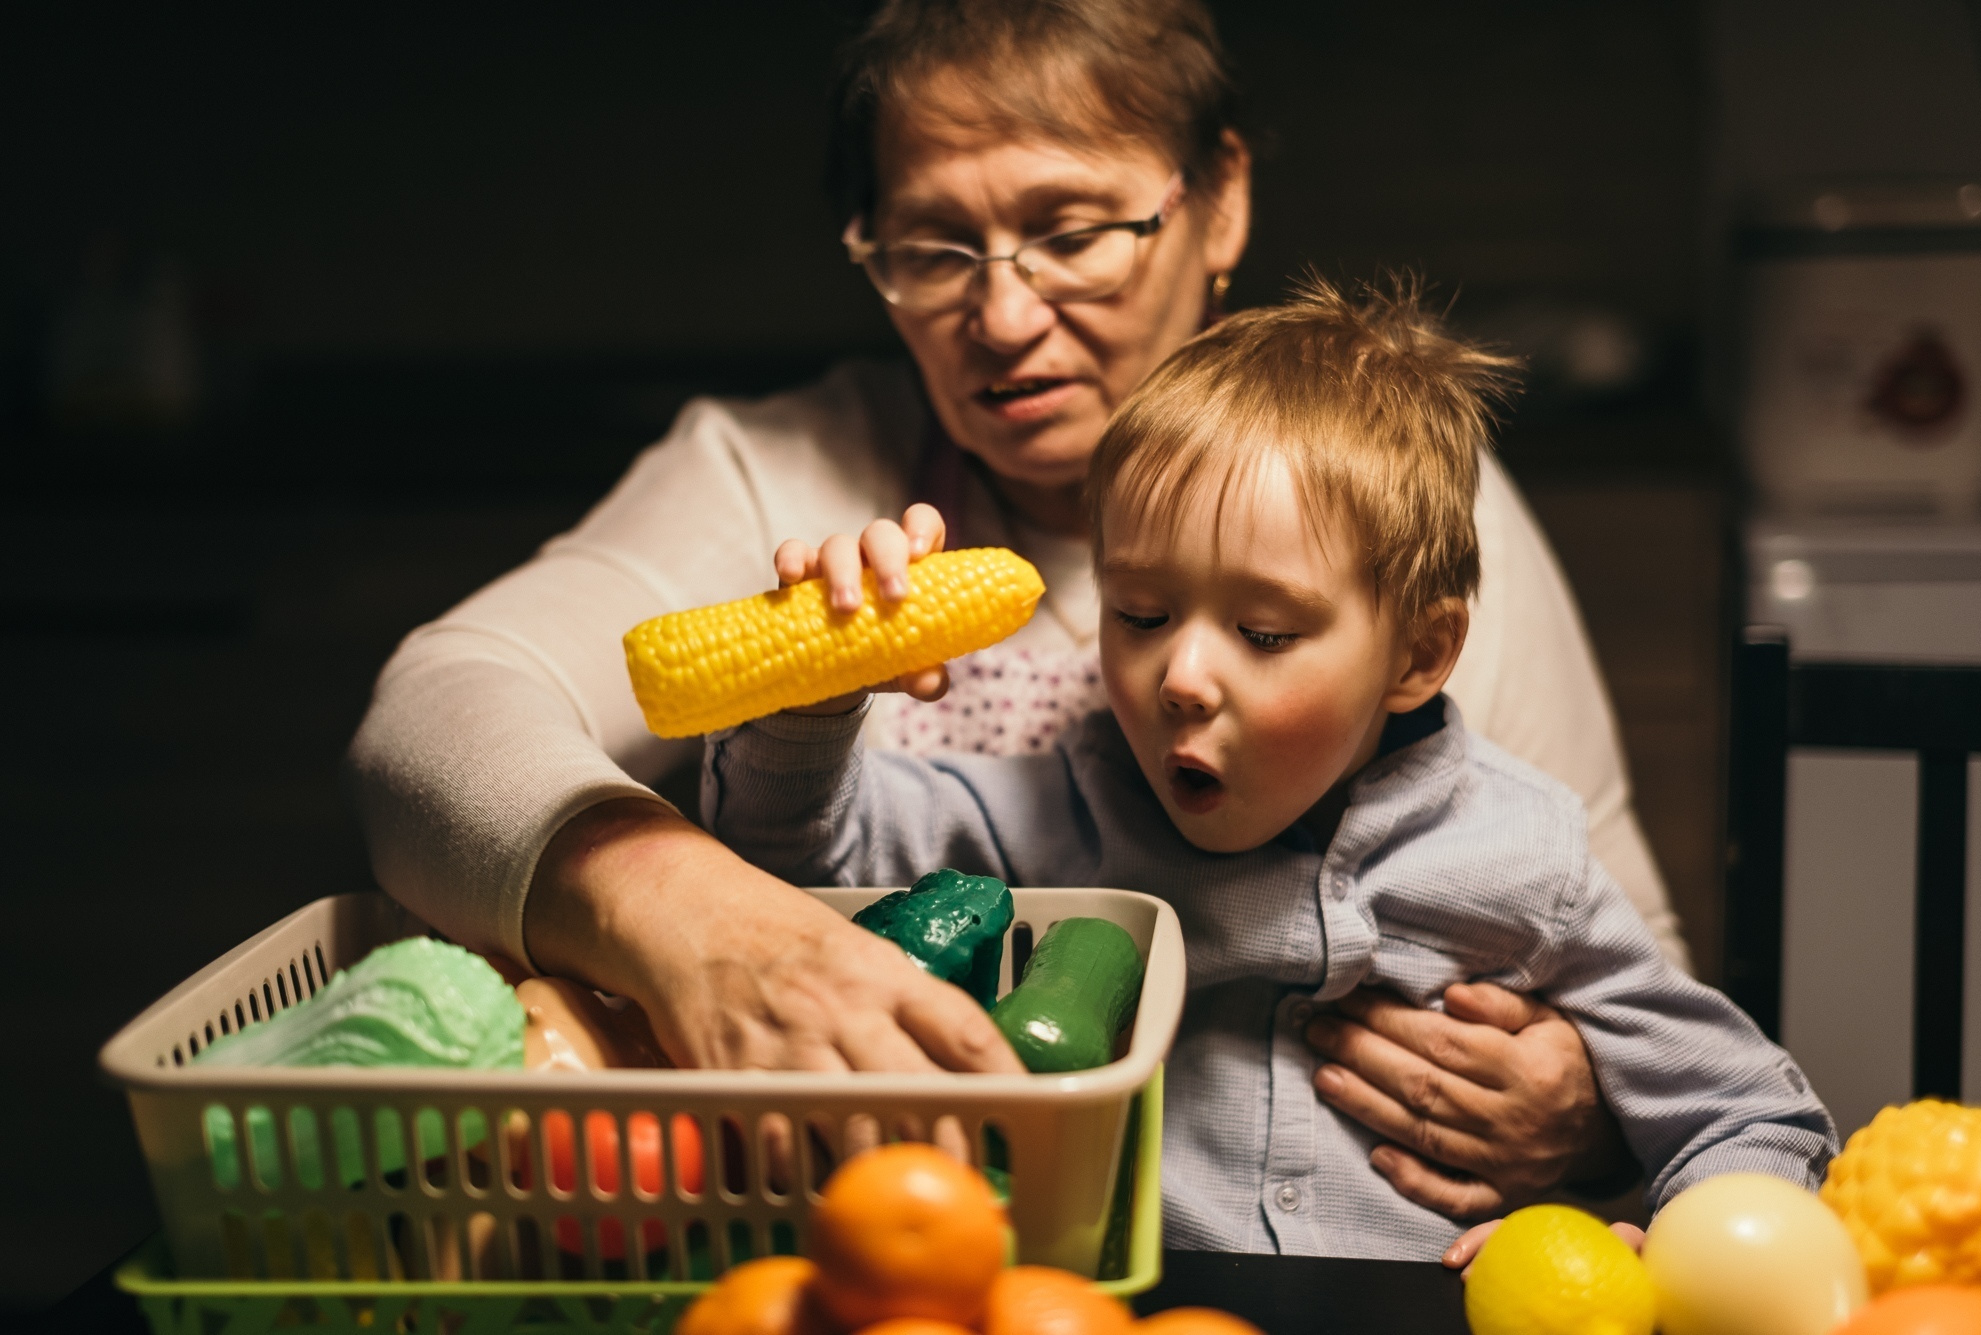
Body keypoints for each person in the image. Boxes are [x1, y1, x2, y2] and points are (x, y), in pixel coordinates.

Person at [345, 0, 1685, 1224]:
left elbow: (1631, 961)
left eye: (1074, 232)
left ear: (1219, 203)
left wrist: (1583, 1110)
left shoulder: (1384, 497)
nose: (999, 314)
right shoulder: (772, 477)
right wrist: (687, 911)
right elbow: (431, 716)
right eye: (933, 249)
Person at [701, 282, 1835, 1259]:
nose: (1181, 677)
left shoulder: (1525, 858)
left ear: (1418, 654)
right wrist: (812, 695)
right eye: (1140, 614)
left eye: (1264, 633)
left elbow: (1752, 1117)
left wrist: (1674, 1250)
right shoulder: (1058, 812)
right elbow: (791, 861)